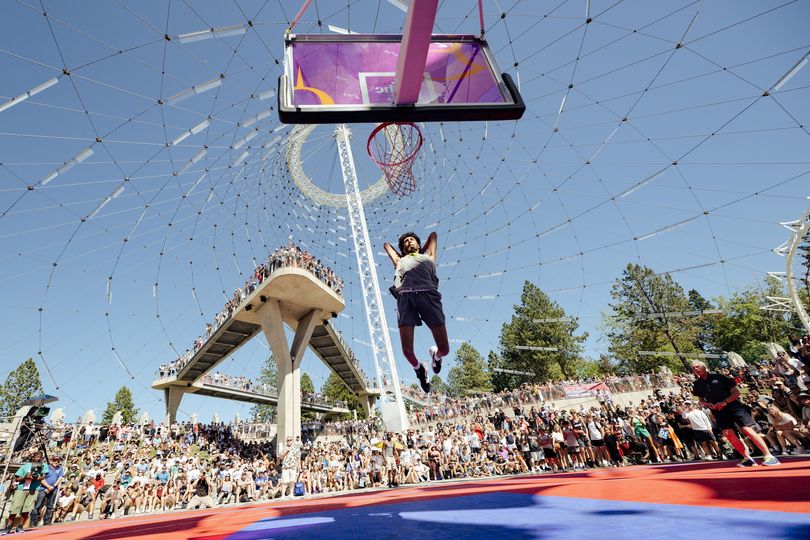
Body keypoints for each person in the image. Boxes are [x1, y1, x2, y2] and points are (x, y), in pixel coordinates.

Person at [384, 231, 450, 393]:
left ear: (419, 244)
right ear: (402, 249)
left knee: (445, 349)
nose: (408, 242)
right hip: (405, 298)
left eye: (411, 240)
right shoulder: (399, 260)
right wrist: (404, 254)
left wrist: (420, 250)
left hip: (428, 295)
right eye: (405, 241)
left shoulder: (429, 257)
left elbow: (434, 235)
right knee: (407, 352)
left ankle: (436, 356)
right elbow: (386, 246)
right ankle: (419, 369)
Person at [691, 360, 780, 467]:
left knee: (747, 430)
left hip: (734, 407)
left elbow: (736, 392)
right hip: (718, 411)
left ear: (704, 367)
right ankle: (747, 458)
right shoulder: (697, 384)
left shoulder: (719, 377)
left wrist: (725, 402)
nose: (695, 369)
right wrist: (706, 404)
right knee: (729, 435)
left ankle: (769, 456)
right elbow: (700, 399)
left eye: (697, 367)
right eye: (693, 368)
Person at [4, 451, 49, 534]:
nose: (38, 458)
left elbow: (43, 476)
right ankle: (8, 526)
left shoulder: (44, 466)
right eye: (36, 457)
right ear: (33, 457)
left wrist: (36, 478)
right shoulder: (25, 466)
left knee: (27, 508)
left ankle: (20, 526)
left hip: (34, 489)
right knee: (15, 507)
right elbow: (17, 478)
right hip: (22, 488)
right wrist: (25, 477)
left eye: (40, 457)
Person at [30, 454, 64, 527]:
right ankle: (33, 521)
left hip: (54, 488)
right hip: (43, 488)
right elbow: (42, 478)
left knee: (50, 505)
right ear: (51, 461)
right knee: (38, 505)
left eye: (58, 461)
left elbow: (60, 478)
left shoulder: (60, 469)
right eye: (55, 461)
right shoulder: (46, 467)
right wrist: (48, 487)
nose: (56, 462)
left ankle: (47, 521)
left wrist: (53, 486)